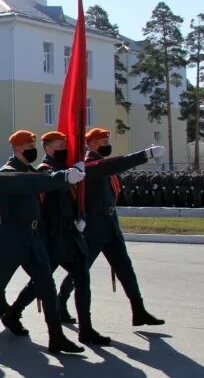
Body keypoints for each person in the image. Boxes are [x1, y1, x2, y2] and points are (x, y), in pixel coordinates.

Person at [0, 130, 85, 354]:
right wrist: (64, 177)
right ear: (18, 149)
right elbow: (33, 183)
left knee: (47, 287)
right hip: (11, 238)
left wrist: (68, 177)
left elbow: (41, 182)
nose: (33, 149)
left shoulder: (28, 170)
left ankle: (56, 337)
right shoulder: (7, 174)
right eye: (29, 146)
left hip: (32, 238)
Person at [4, 131, 111, 345]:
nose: (66, 148)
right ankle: (14, 313)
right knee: (40, 284)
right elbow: (49, 193)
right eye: (62, 145)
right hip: (53, 236)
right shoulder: (45, 171)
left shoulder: (63, 169)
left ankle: (86, 329)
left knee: (82, 279)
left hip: (70, 234)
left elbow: (72, 199)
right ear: (50, 148)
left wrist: (79, 218)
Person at [57, 128, 167, 327]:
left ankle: (138, 310)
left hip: (110, 225)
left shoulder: (103, 165)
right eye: (101, 142)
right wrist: (145, 155)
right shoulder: (89, 165)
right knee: (80, 270)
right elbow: (117, 163)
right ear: (90, 145)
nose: (106, 144)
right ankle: (60, 302)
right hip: (93, 228)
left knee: (125, 268)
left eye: (107, 140)